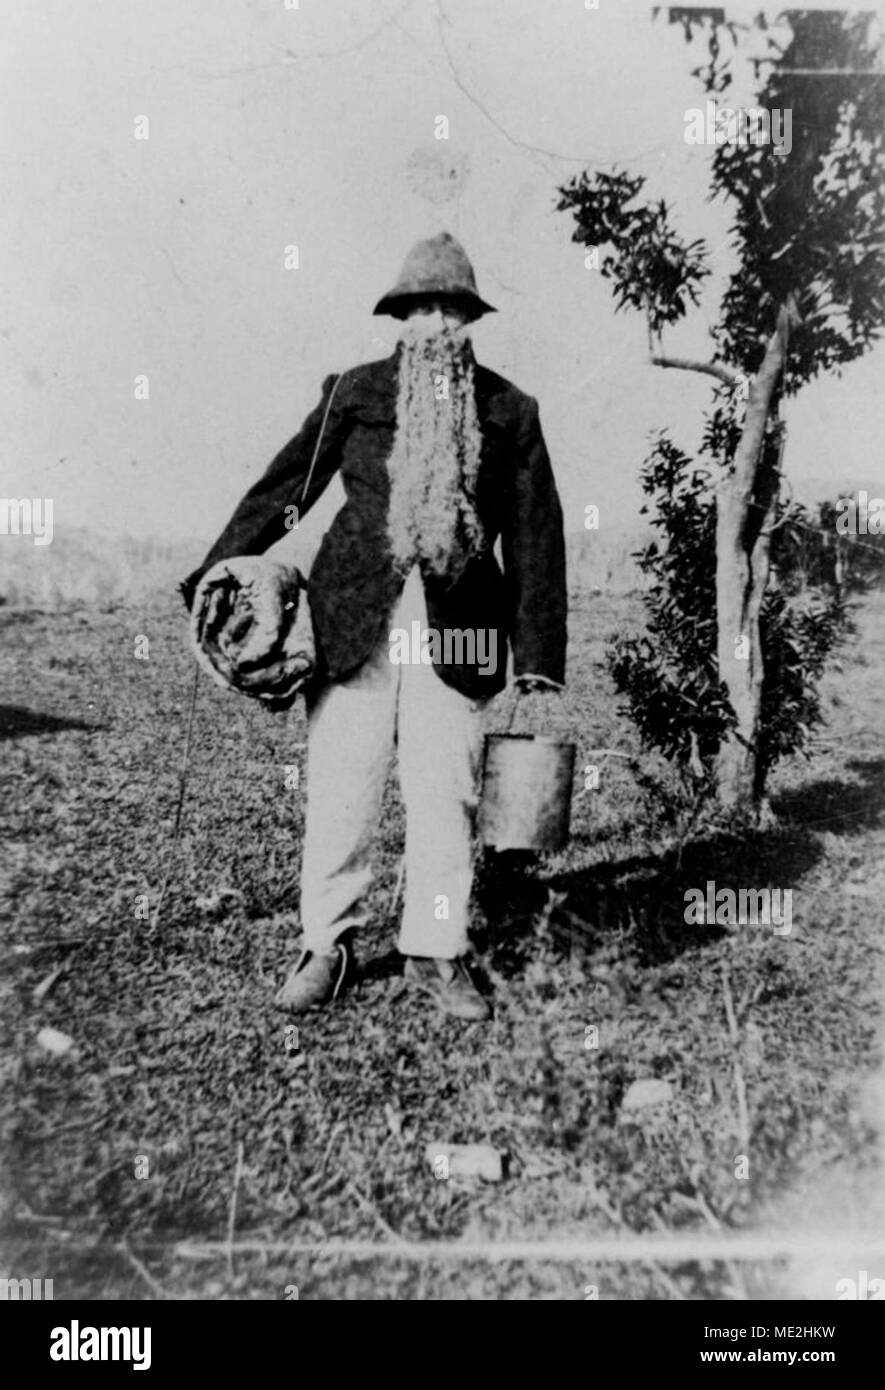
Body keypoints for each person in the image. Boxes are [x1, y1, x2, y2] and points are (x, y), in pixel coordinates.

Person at [181, 232, 567, 1021]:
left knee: (444, 794)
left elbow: (534, 534)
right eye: (420, 308)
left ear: (469, 319)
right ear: (399, 317)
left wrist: (535, 655)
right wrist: (215, 573)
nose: (435, 323)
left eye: (450, 309)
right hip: (350, 621)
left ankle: (435, 951)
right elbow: (288, 485)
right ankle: (326, 947)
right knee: (341, 792)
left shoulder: (508, 411)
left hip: (459, 635)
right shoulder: (354, 392)